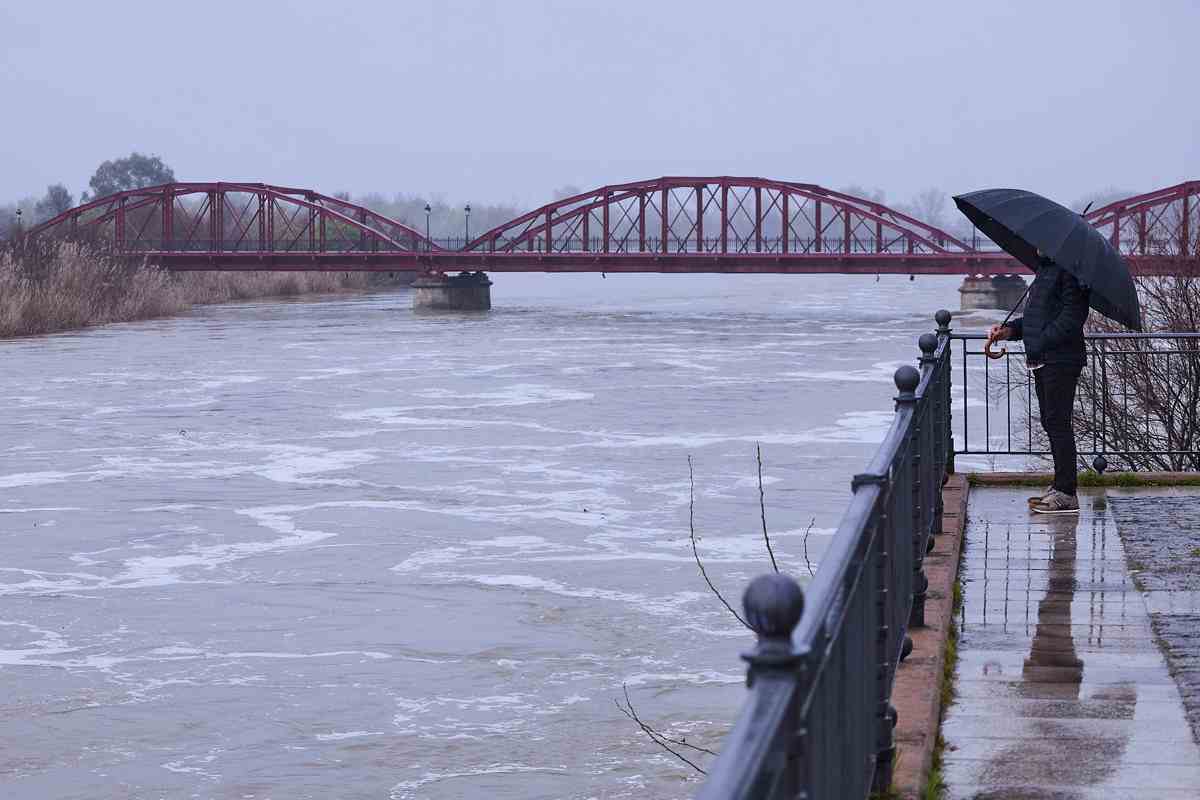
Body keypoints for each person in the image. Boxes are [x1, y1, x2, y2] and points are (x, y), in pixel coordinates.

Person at [989, 257, 1090, 514]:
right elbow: (1035, 319)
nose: (1036, 246)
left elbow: (1073, 318)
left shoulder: (1070, 273)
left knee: (1058, 422)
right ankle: (1060, 485)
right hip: (1043, 359)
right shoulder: (1045, 271)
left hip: (1061, 360)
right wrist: (1009, 330)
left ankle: (1067, 493)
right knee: (1050, 421)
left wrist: (1041, 342)